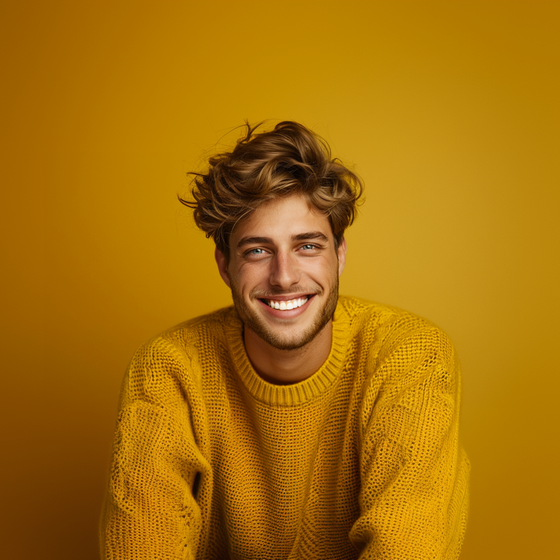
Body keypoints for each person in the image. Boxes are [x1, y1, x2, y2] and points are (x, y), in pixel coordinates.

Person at [100, 121, 470, 559]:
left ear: (340, 254)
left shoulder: (411, 357)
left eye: (308, 246)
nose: (284, 276)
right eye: (257, 250)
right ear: (225, 264)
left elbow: (407, 546)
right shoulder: (170, 368)